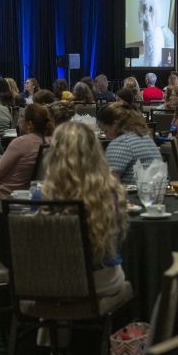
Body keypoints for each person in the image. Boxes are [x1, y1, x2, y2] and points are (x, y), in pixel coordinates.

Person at [43, 122, 129, 298]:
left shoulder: (42, 197)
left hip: (52, 281)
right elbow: (118, 239)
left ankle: (53, 321)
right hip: (101, 280)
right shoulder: (112, 193)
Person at [0, 103, 54, 205]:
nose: (19, 120)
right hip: (26, 194)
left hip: (1, 195)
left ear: (29, 124)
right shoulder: (50, 142)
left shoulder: (21, 142)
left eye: (22, 117)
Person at [97, 102, 162, 184]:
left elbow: (109, 184)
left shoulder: (121, 143)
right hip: (156, 192)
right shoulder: (145, 137)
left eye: (105, 131)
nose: (106, 137)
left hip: (133, 195)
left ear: (114, 124)